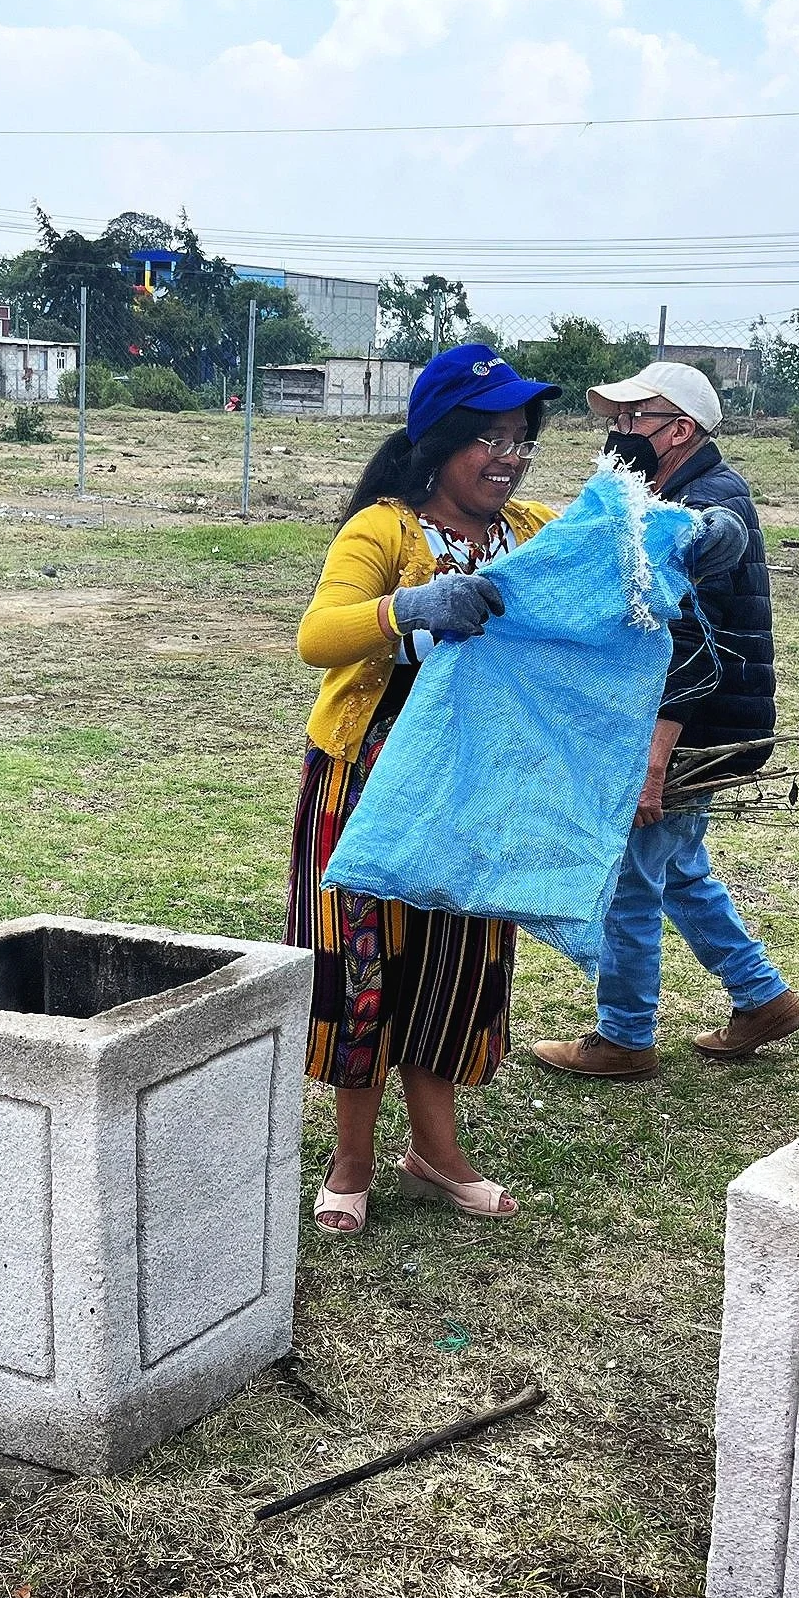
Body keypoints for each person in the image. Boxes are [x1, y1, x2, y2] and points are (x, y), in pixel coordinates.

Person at [288, 344, 564, 1234]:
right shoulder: (385, 529)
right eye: (490, 436)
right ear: (440, 441)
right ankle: (353, 1157)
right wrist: (406, 610)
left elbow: (617, 558)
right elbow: (318, 636)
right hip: (367, 781)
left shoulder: (531, 527)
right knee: (364, 967)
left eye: (520, 437)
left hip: (473, 785)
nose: (509, 455)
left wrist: (687, 535)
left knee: (453, 965)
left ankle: (435, 1154)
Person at [532, 361, 799, 1077]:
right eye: (616, 420)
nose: (619, 432)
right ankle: (761, 995)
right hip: (713, 726)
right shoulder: (679, 492)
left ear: (679, 429)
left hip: (695, 731)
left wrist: (653, 764)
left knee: (632, 871)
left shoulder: (704, 509)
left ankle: (624, 1035)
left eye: (633, 419)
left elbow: (689, 646)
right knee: (679, 866)